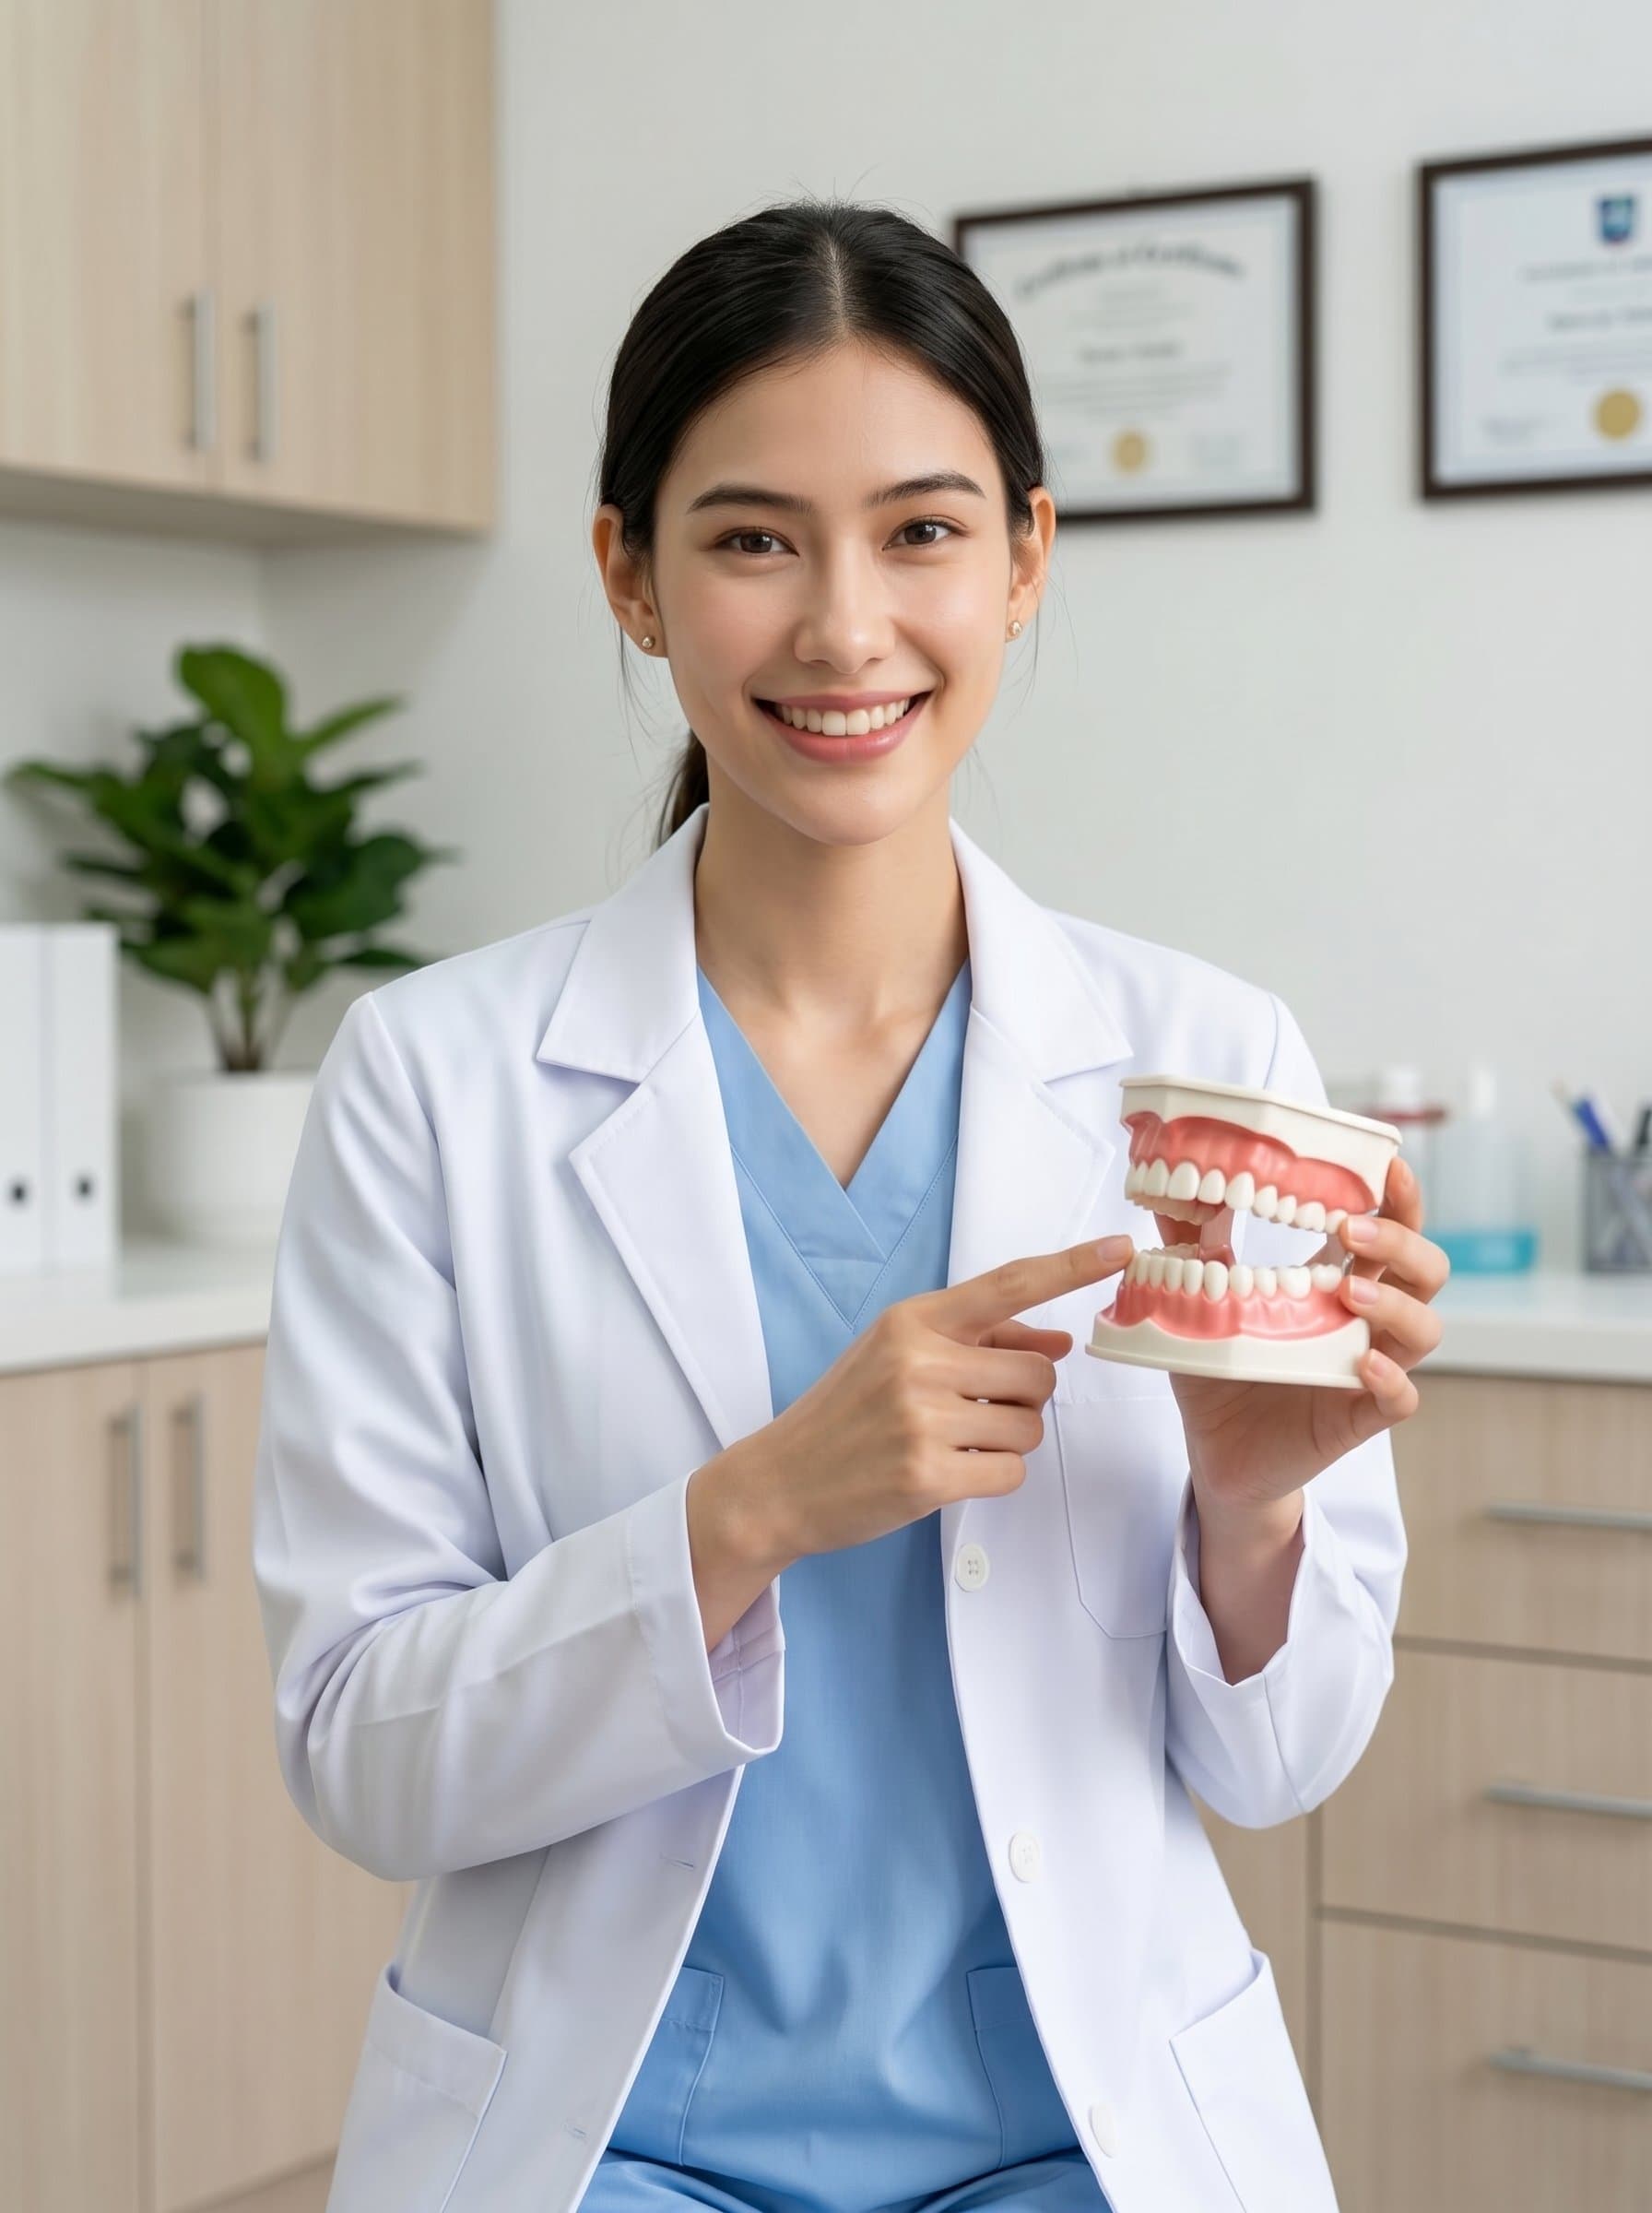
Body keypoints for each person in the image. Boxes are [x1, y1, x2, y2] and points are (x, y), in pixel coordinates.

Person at [253, 197, 1446, 2213]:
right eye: (747, 538)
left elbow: (1276, 1765)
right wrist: (748, 1516)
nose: (840, 627)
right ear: (628, 576)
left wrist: (1251, 1505)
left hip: (1070, 2138)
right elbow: (363, 1749)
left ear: (1024, 559)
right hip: (611, 2144)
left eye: (918, 531)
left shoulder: (1200, 1055)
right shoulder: (431, 1082)